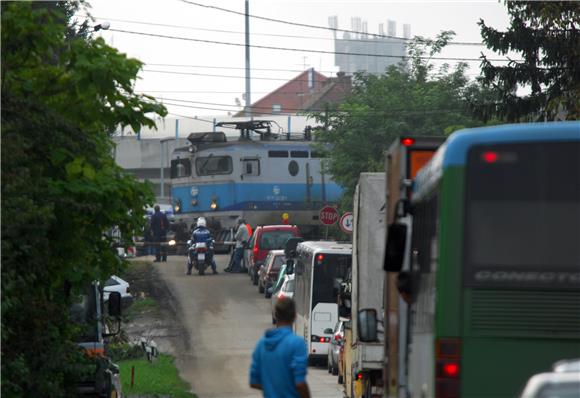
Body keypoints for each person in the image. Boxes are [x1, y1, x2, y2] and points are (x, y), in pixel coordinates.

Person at [249, 297, 310, 398]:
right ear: (294, 316)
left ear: (275, 315)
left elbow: (253, 382)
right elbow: (300, 384)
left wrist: (272, 387)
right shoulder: (297, 344)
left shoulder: (262, 344)